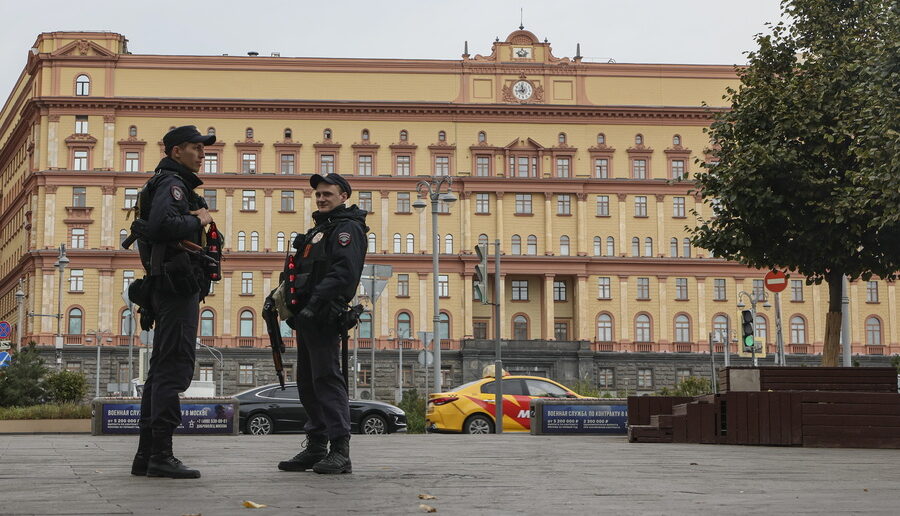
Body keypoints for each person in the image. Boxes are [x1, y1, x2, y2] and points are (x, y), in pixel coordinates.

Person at [130, 125, 215, 479]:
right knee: (174, 369)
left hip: (170, 285)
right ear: (176, 151)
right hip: (177, 286)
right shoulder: (172, 184)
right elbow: (163, 226)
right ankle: (161, 455)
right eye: (196, 147)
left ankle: (147, 455)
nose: (203, 153)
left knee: (160, 372)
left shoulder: (166, 183)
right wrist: (197, 218)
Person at [277, 173, 367, 475]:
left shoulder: (347, 229)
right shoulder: (320, 230)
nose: (321, 198)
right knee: (307, 382)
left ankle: (340, 450)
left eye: (327, 194)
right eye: (318, 194)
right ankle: (316, 446)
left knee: (327, 380)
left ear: (343, 196)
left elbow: (344, 273)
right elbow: (299, 271)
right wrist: (277, 298)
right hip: (306, 317)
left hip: (324, 315)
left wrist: (315, 304)